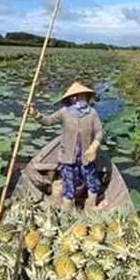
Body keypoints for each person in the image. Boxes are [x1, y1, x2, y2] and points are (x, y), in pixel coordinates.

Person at [27, 82, 104, 210]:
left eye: (84, 96)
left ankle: (90, 207)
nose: (82, 99)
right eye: (78, 96)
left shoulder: (92, 113)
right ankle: (67, 210)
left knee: (92, 181)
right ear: (72, 98)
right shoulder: (64, 112)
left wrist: (95, 144)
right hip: (68, 157)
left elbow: (100, 131)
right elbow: (48, 121)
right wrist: (35, 114)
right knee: (68, 184)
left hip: (87, 156)